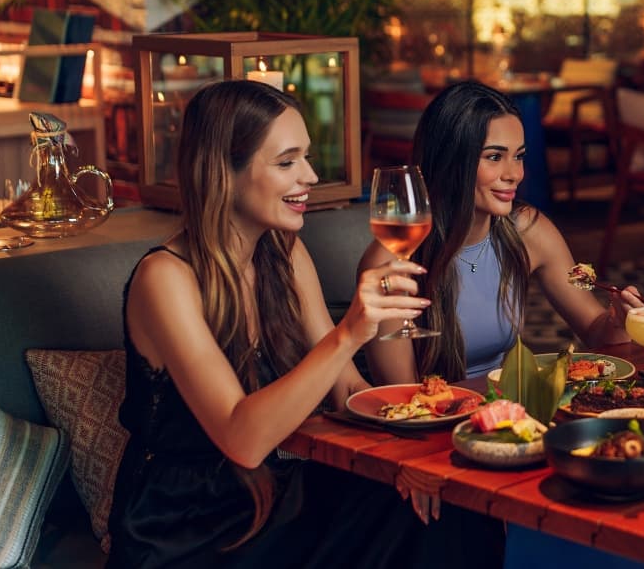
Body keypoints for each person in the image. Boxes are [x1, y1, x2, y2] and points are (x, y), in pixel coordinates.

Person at [106, 80, 500, 567]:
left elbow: (347, 389)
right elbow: (243, 440)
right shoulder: (165, 278)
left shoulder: (283, 251)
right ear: (223, 173)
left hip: (270, 498)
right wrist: (350, 332)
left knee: (452, 503)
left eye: (307, 157)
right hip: (184, 528)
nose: (310, 175)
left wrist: (412, 459)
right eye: (287, 161)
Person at [361, 80, 641, 384]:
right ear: (452, 161)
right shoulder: (392, 260)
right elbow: (400, 400)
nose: (515, 174)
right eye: (494, 157)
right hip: (435, 420)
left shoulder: (526, 229)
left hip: (506, 414)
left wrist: (618, 320)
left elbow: (596, 330)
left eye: (518, 156)